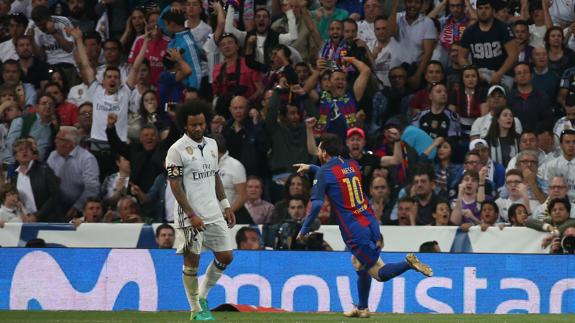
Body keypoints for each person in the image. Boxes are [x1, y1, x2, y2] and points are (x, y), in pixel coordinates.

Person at [294, 133, 432, 319]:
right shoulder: (351, 165)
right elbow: (334, 176)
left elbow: (317, 203)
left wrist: (304, 229)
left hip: (354, 229)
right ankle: (363, 308)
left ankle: (408, 263)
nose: (318, 151)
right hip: (370, 223)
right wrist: (311, 168)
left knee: (379, 273)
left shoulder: (325, 172)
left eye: (319, 148)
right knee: (358, 263)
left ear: (325, 152)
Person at [165, 99, 235, 321]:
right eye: (193, 125)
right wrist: (191, 215)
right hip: (190, 216)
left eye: (201, 124)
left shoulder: (213, 145)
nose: (197, 128)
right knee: (192, 261)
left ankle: (203, 297)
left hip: (213, 212)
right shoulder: (176, 150)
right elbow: (174, 185)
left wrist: (225, 205)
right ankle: (195, 309)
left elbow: (215, 176)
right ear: (185, 125)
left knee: (226, 256)